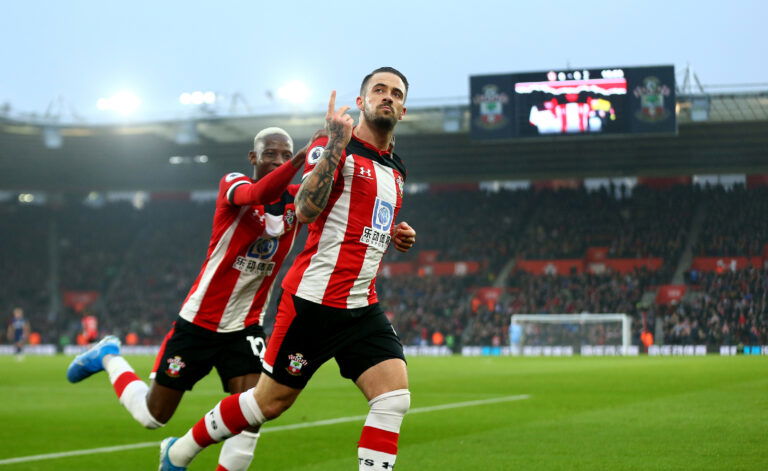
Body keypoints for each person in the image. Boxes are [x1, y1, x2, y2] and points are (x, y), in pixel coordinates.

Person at [159, 67, 417, 471]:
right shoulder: (332, 145)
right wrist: (335, 143)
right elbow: (306, 209)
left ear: (403, 110)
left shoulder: (396, 168)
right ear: (361, 101)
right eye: (378, 90)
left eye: (396, 93)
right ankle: (179, 452)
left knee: (394, 398)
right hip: (313, 303)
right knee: (268, 403)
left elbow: (362, 221)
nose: (387, 96)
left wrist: (395, 233)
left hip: (361, 306)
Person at [67, 126, 321, 471]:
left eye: (285, 154)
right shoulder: (233, 184)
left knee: (252, 413)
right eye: (270, 154)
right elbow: (260, 191)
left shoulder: (296, 200)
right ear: (253, 157)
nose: (278, 160)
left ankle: (185, 455)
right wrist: (300, 158)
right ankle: (109, 356)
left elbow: (329, 196)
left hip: (246, 326)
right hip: (198, 323)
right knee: (153, 416)